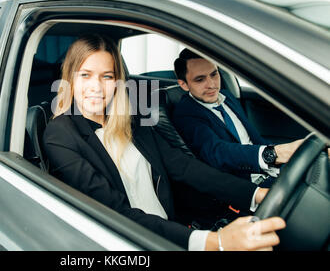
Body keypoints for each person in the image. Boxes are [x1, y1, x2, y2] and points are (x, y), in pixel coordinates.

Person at [42, 34, 285, 250]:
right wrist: (213, 242)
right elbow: (115, 213)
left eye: (107, 76)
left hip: (170, 231)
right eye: (86, 75)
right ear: (70, 78)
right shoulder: (60, 135)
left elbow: (184, 167)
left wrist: (255, 194)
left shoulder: (132, 121)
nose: (96, 87)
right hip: (127, 241)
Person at [172, 49, 303, 187]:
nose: (212, 84)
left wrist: (285, 155)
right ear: (184, 84)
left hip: (271, 172)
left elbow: (255, 139)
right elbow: (217, 152)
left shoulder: (227, 97)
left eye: (214, 74)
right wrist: (272, 154)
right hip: (248, 186)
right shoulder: (186, 113)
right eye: (200, 79)